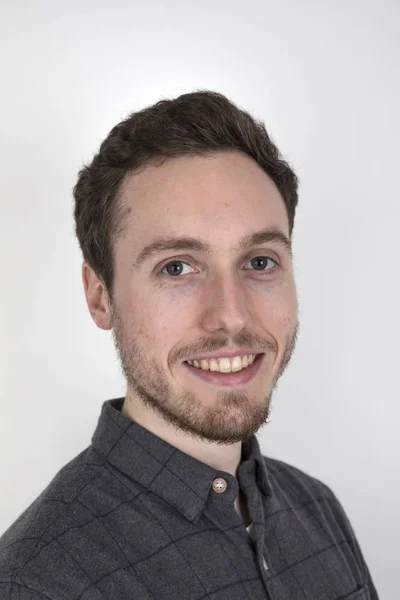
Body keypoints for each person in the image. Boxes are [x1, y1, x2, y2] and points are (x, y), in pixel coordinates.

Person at [0, 90, 378, 599]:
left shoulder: (318, 509)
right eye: (176, 267)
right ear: (100, 297)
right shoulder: (38, 583)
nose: (231, 315)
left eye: (260, 262)